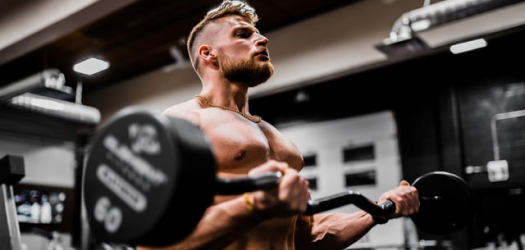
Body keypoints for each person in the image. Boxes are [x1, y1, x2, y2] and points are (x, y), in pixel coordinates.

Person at [138, 1, 419, 249]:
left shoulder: (276, 139)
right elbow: (153, 243)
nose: (262, 39)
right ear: (208, 54)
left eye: (258, 33)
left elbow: (306, 236)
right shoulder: (182, 122)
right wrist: (252, 205)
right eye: (243, 34)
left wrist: (376, 211)